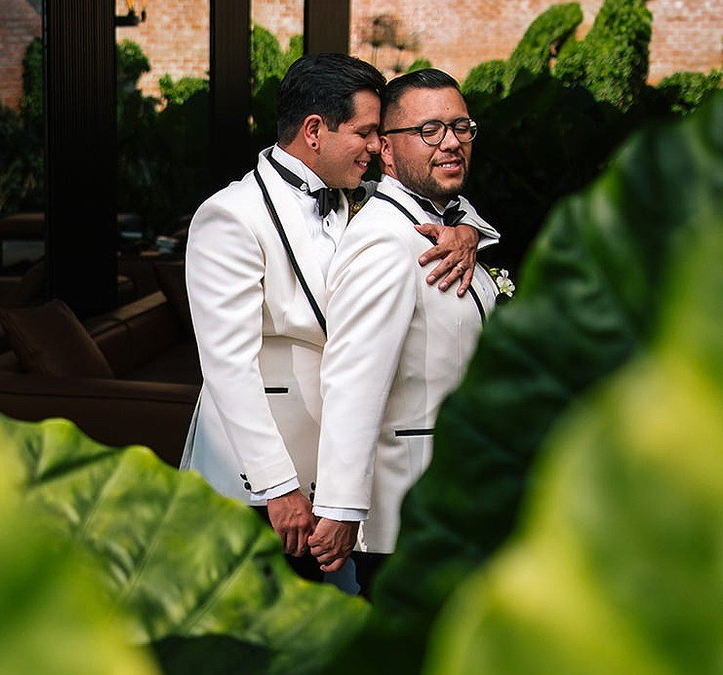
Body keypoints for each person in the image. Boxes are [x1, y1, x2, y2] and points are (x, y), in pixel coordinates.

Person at [179, 53, 488, 585]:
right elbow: (227, 367)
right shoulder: (230, 216)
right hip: (257, 478)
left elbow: (439, 205)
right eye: (366, 133)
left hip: (335, 471)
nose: (378, 147)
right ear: (315, 131)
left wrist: (468, 234)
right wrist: (278, 488)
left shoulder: (362, 195)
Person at [308, 66, 505, 597]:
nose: (451, 143)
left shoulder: (446, 224)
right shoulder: (386, 244)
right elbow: (352, 381)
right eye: (430, 130)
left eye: (461, 127)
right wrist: (341, 508)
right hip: (411, 514)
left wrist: (469, 232)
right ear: (387, 151)